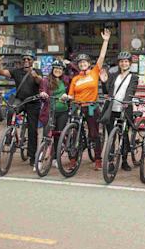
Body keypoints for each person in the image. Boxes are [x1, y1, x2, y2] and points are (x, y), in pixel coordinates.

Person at [63, 28, 112, 171]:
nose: (82, 64)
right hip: (77, 106)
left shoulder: (94, 72)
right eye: (80, 63)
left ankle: (97, 159)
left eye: (85, 62)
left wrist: (105, 41)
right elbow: (71, 95)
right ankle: (73, 159)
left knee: (94, 133)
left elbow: (101, 57)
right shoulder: (75, 79)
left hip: (91, 106)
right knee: (74, 133)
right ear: (78, 66)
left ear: (89, 64)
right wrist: (66, 97)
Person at [0, 45, 44, 168]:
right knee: (11, 111)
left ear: (33, 60)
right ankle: (9, 135)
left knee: (32, 130)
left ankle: (32, 156)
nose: (26, 61)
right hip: (20, 101)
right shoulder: (17, 71)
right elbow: (2, 72)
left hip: (33, 102)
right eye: (24, 59)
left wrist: (35, 76)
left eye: (29, 59)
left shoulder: (37, 71)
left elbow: (41, 82)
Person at [100, 51, 139, 172]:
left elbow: (131, 91)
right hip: (111, 109)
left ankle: (124, 161)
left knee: (124, 136)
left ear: (130, 63)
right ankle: (111, 161)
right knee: (111, 137)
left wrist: (126, 101)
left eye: (126, 61)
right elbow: (107, 91)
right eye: (121, 61)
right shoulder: (113, 75)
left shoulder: (134, 77)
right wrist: (104, 82)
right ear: (118, 63)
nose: (124, 63)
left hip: (125, 109)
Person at [39, 59, 71, 166]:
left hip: (63, 111)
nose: (58, 70)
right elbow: (42, 91)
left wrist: (70, 64)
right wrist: (43, 94)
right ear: (52, 69)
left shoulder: (66, 80)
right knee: (46, 136)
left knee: (58, 135)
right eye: (56, 68)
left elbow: (77, 74)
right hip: (50, 111)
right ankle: (39, 159)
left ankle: (55, 159)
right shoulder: (45, 80)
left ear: (63, 70)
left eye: (60, 69)